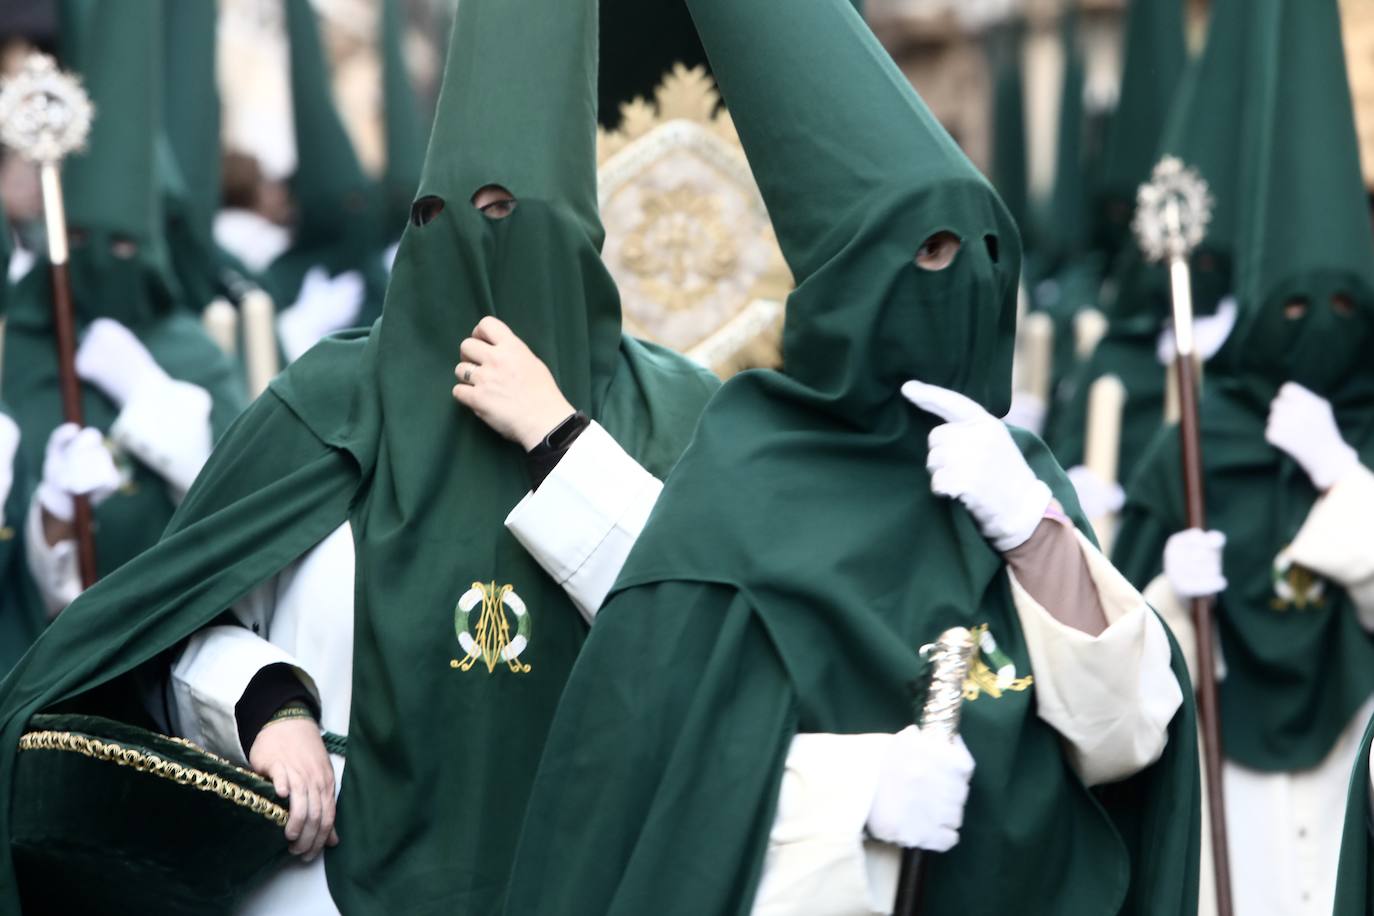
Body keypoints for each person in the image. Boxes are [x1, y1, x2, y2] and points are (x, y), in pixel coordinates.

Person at [0, 0, 725, 911]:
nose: (470, 241)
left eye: (508, 216)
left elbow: (708, 636)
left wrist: (559, 437)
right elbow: (180, 632)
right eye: (439, 215)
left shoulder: (670, 409)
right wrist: (266, 705)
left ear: (575, 232)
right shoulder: (331, 400)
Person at [503, 1, 1199, 913]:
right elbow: (654, 770)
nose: (970, 282)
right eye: (932, 254)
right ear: (846, 296)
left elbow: (1131, 736)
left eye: (992, 250)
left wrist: (1034, 534)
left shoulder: (1011, 471)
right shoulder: (746, 478)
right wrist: (853, 788)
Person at [1112, 1, 1374, 913]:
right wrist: (1171, 600)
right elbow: (1118, 692)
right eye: (1293, 315)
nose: (1319, 337)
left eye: (1347, 314)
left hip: (1358, 763)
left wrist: (1345, 476)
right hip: (1228, 786)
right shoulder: (1195, 441)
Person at [8, 0, 247, 616]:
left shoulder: (194, 353)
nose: (103, 262)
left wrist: (158, 408)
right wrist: (53, 520)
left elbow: (247, 520)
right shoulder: (16, 348)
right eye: (83, 242)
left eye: (123, 245)